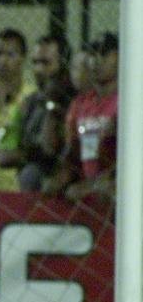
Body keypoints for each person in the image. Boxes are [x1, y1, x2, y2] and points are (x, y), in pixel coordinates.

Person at [0, 34, 74, 191]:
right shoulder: (30, 101)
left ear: (63, 64)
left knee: (31, 174)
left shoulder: (72, 100)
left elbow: (50, 149)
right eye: (35, 62)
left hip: (55, 178)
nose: (38, 69)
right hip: (28, 173)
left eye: (45, 63)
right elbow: (6, 153)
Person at [47, 32, 118, 202]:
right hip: (89, 182)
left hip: (117, 184)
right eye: (93, 54)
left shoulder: (129, 103)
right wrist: (61, 177)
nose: (96, 60)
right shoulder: (80, 104)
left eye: (104, 54)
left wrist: (93, 185)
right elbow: (73, 152)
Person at [0, 28, 33, 191]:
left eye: (10, 54)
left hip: (19, 182)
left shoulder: (31, 95)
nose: (3, 60)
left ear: (22, 58)